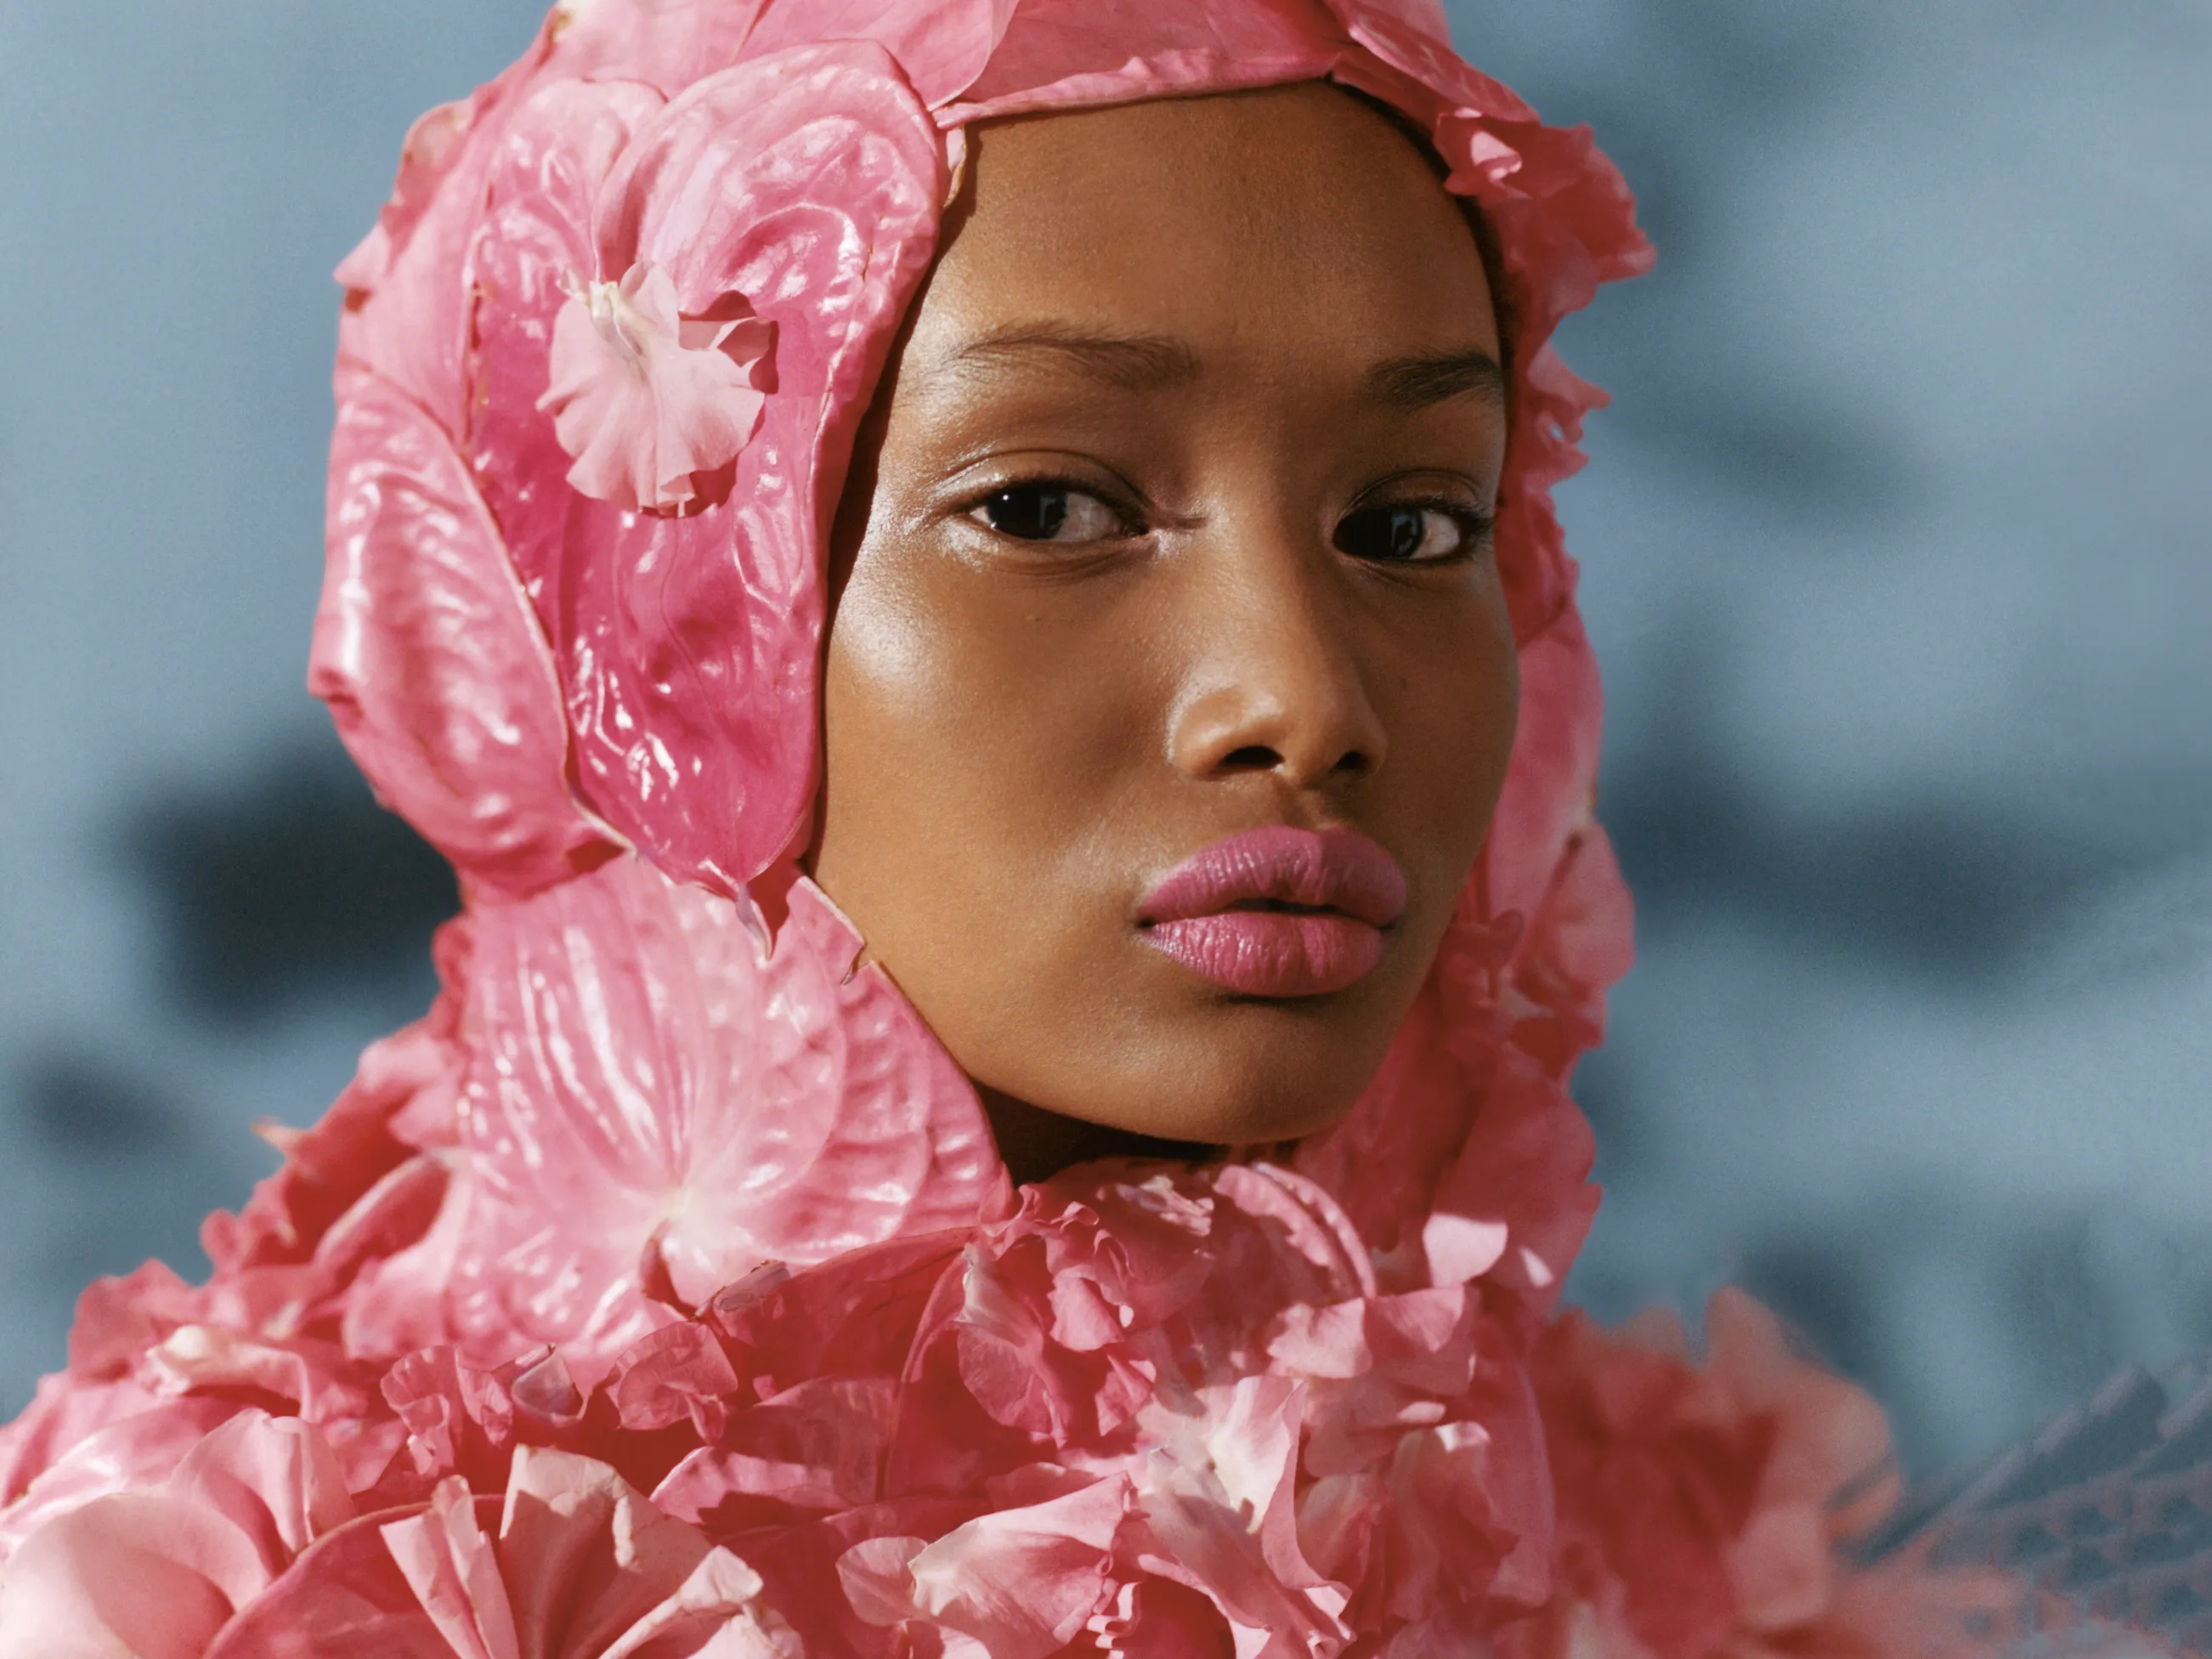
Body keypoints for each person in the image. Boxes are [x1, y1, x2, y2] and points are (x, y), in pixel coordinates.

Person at [0, 1, 2069, 1653]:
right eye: (1046, 505)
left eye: (1409, 522)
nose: (1304, 697)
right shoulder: (233, 1599)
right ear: (622, 608)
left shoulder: (1657, 1567)